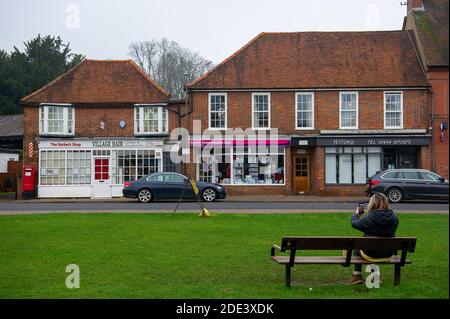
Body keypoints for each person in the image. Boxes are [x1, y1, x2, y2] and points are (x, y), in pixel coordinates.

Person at [349, 193, 399, 285]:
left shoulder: (370, 218)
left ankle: (357, 275)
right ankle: (375, 277)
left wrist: (356, 214)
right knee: (369, 241)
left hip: (370, 252)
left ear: (372, 203)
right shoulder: (394, 218)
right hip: (388, 252)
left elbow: (354, 224)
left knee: (359, 245)